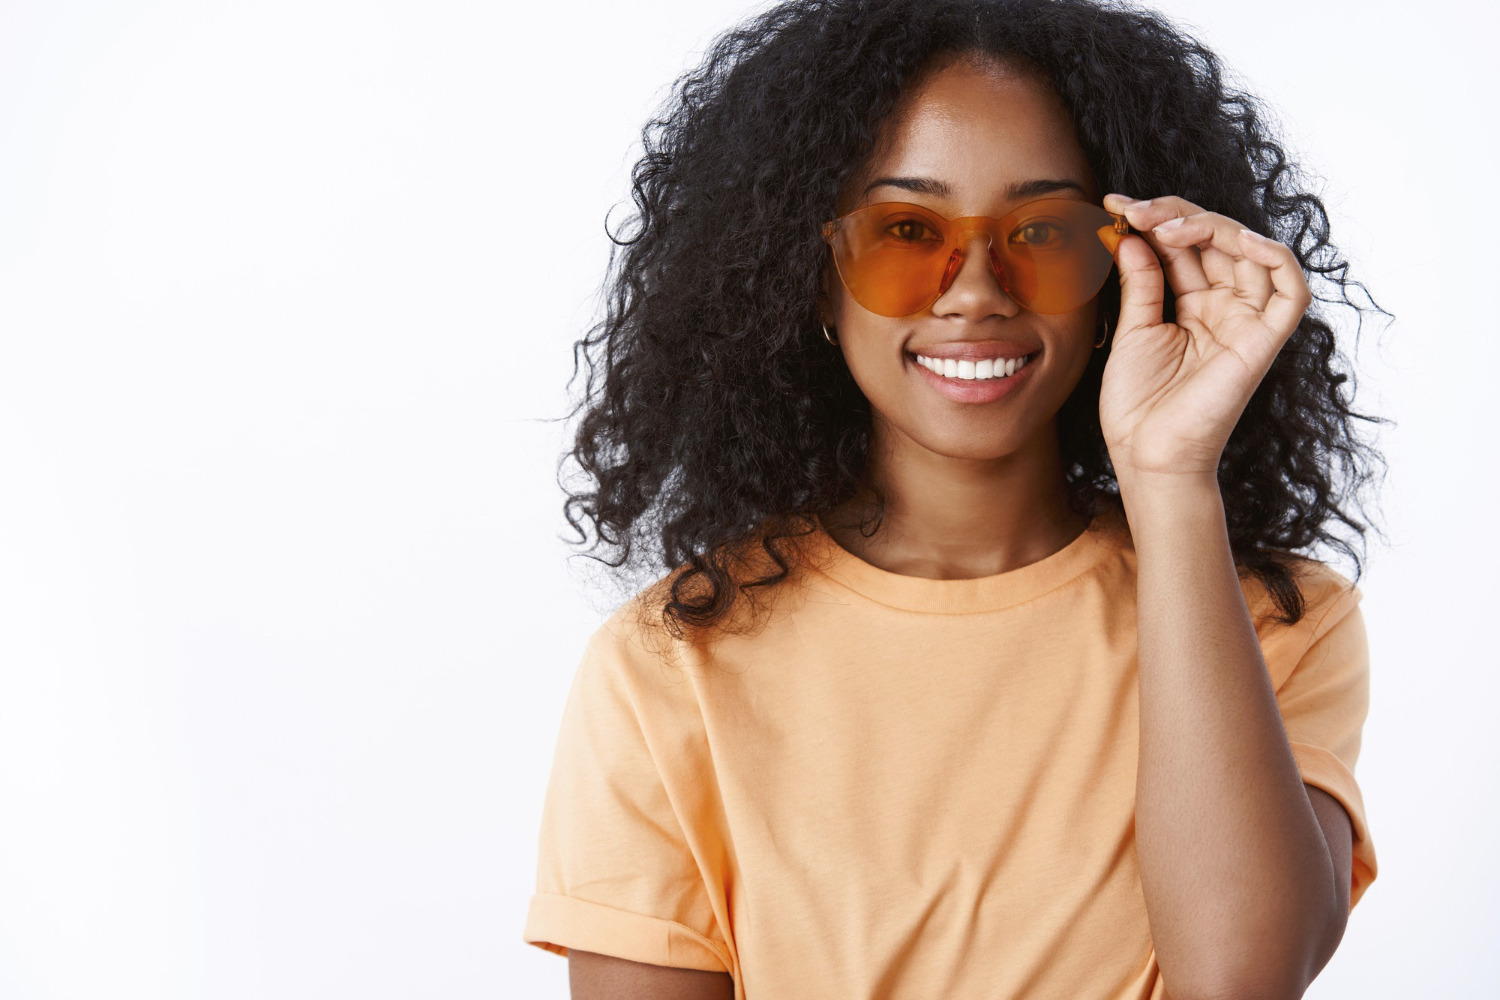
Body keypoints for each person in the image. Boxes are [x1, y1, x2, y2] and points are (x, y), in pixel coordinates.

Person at [523, 0, 1388, 997]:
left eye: (1044, 231)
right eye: (904, 228)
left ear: (1123, 267)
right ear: (811, 276)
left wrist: (1172, 477)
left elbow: (1240, 976)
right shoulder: (675, 664)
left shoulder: (1275, 622)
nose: (976, 289)